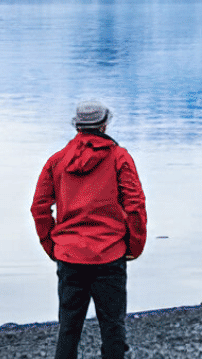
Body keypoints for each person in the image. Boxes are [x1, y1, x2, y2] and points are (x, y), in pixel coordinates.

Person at [31, 100, 147, 359]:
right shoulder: (119, 157)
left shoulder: (57, 160)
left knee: (68, 329)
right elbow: (135, 206)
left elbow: (39, 208)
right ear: (104, 125)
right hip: (110, 254)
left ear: (78, 126)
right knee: (113, 327)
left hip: (69, 255)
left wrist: (52, 246)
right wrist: (134, 246)